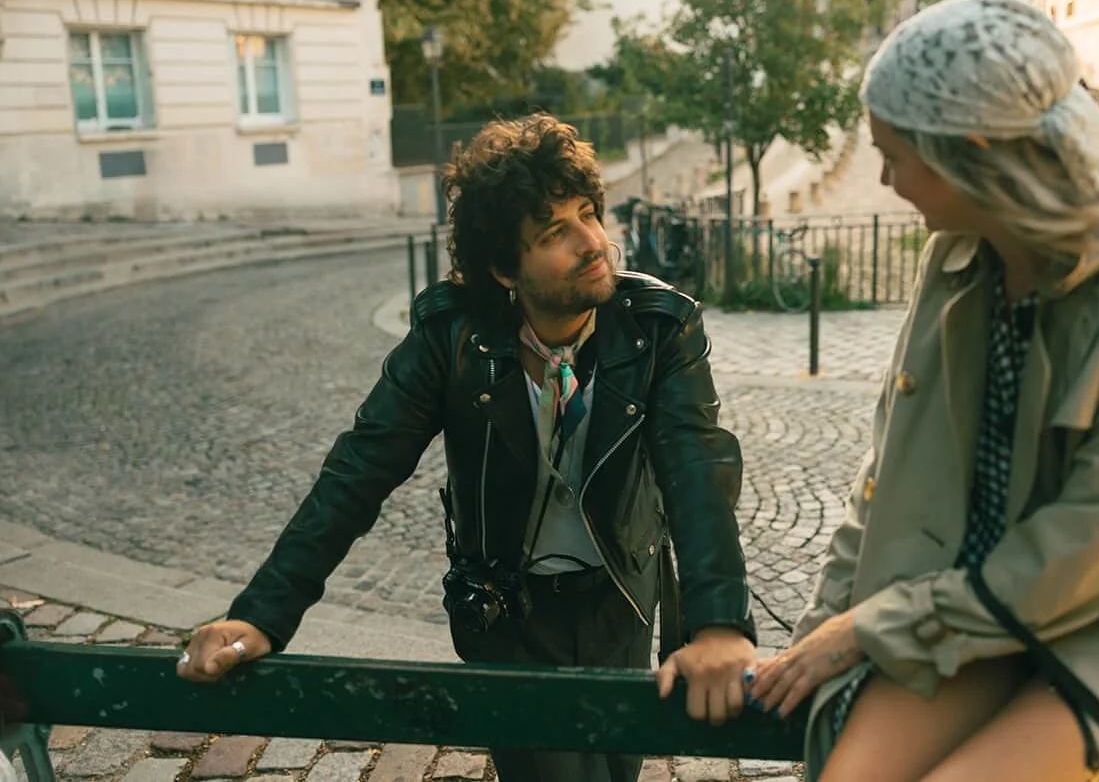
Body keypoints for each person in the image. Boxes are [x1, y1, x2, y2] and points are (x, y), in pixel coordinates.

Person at [748, 0, 1099, 782]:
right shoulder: (956, 259)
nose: (884, 177)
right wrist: (823, 625)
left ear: (972, 152)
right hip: (960, 615)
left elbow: (1081, 560)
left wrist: (865, 628)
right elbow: (887, 472)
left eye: (894, 154)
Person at [176, 113, 758, 782]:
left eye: (589, 213)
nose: (593, 241)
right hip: (509, 615)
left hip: (619, 601)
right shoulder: (449, 338)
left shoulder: (659, 329)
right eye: (554, 232)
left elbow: (696, 468)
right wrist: (261, 614)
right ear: (504, 268)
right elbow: (359, 470)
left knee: (614, 769)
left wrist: (719, 622)